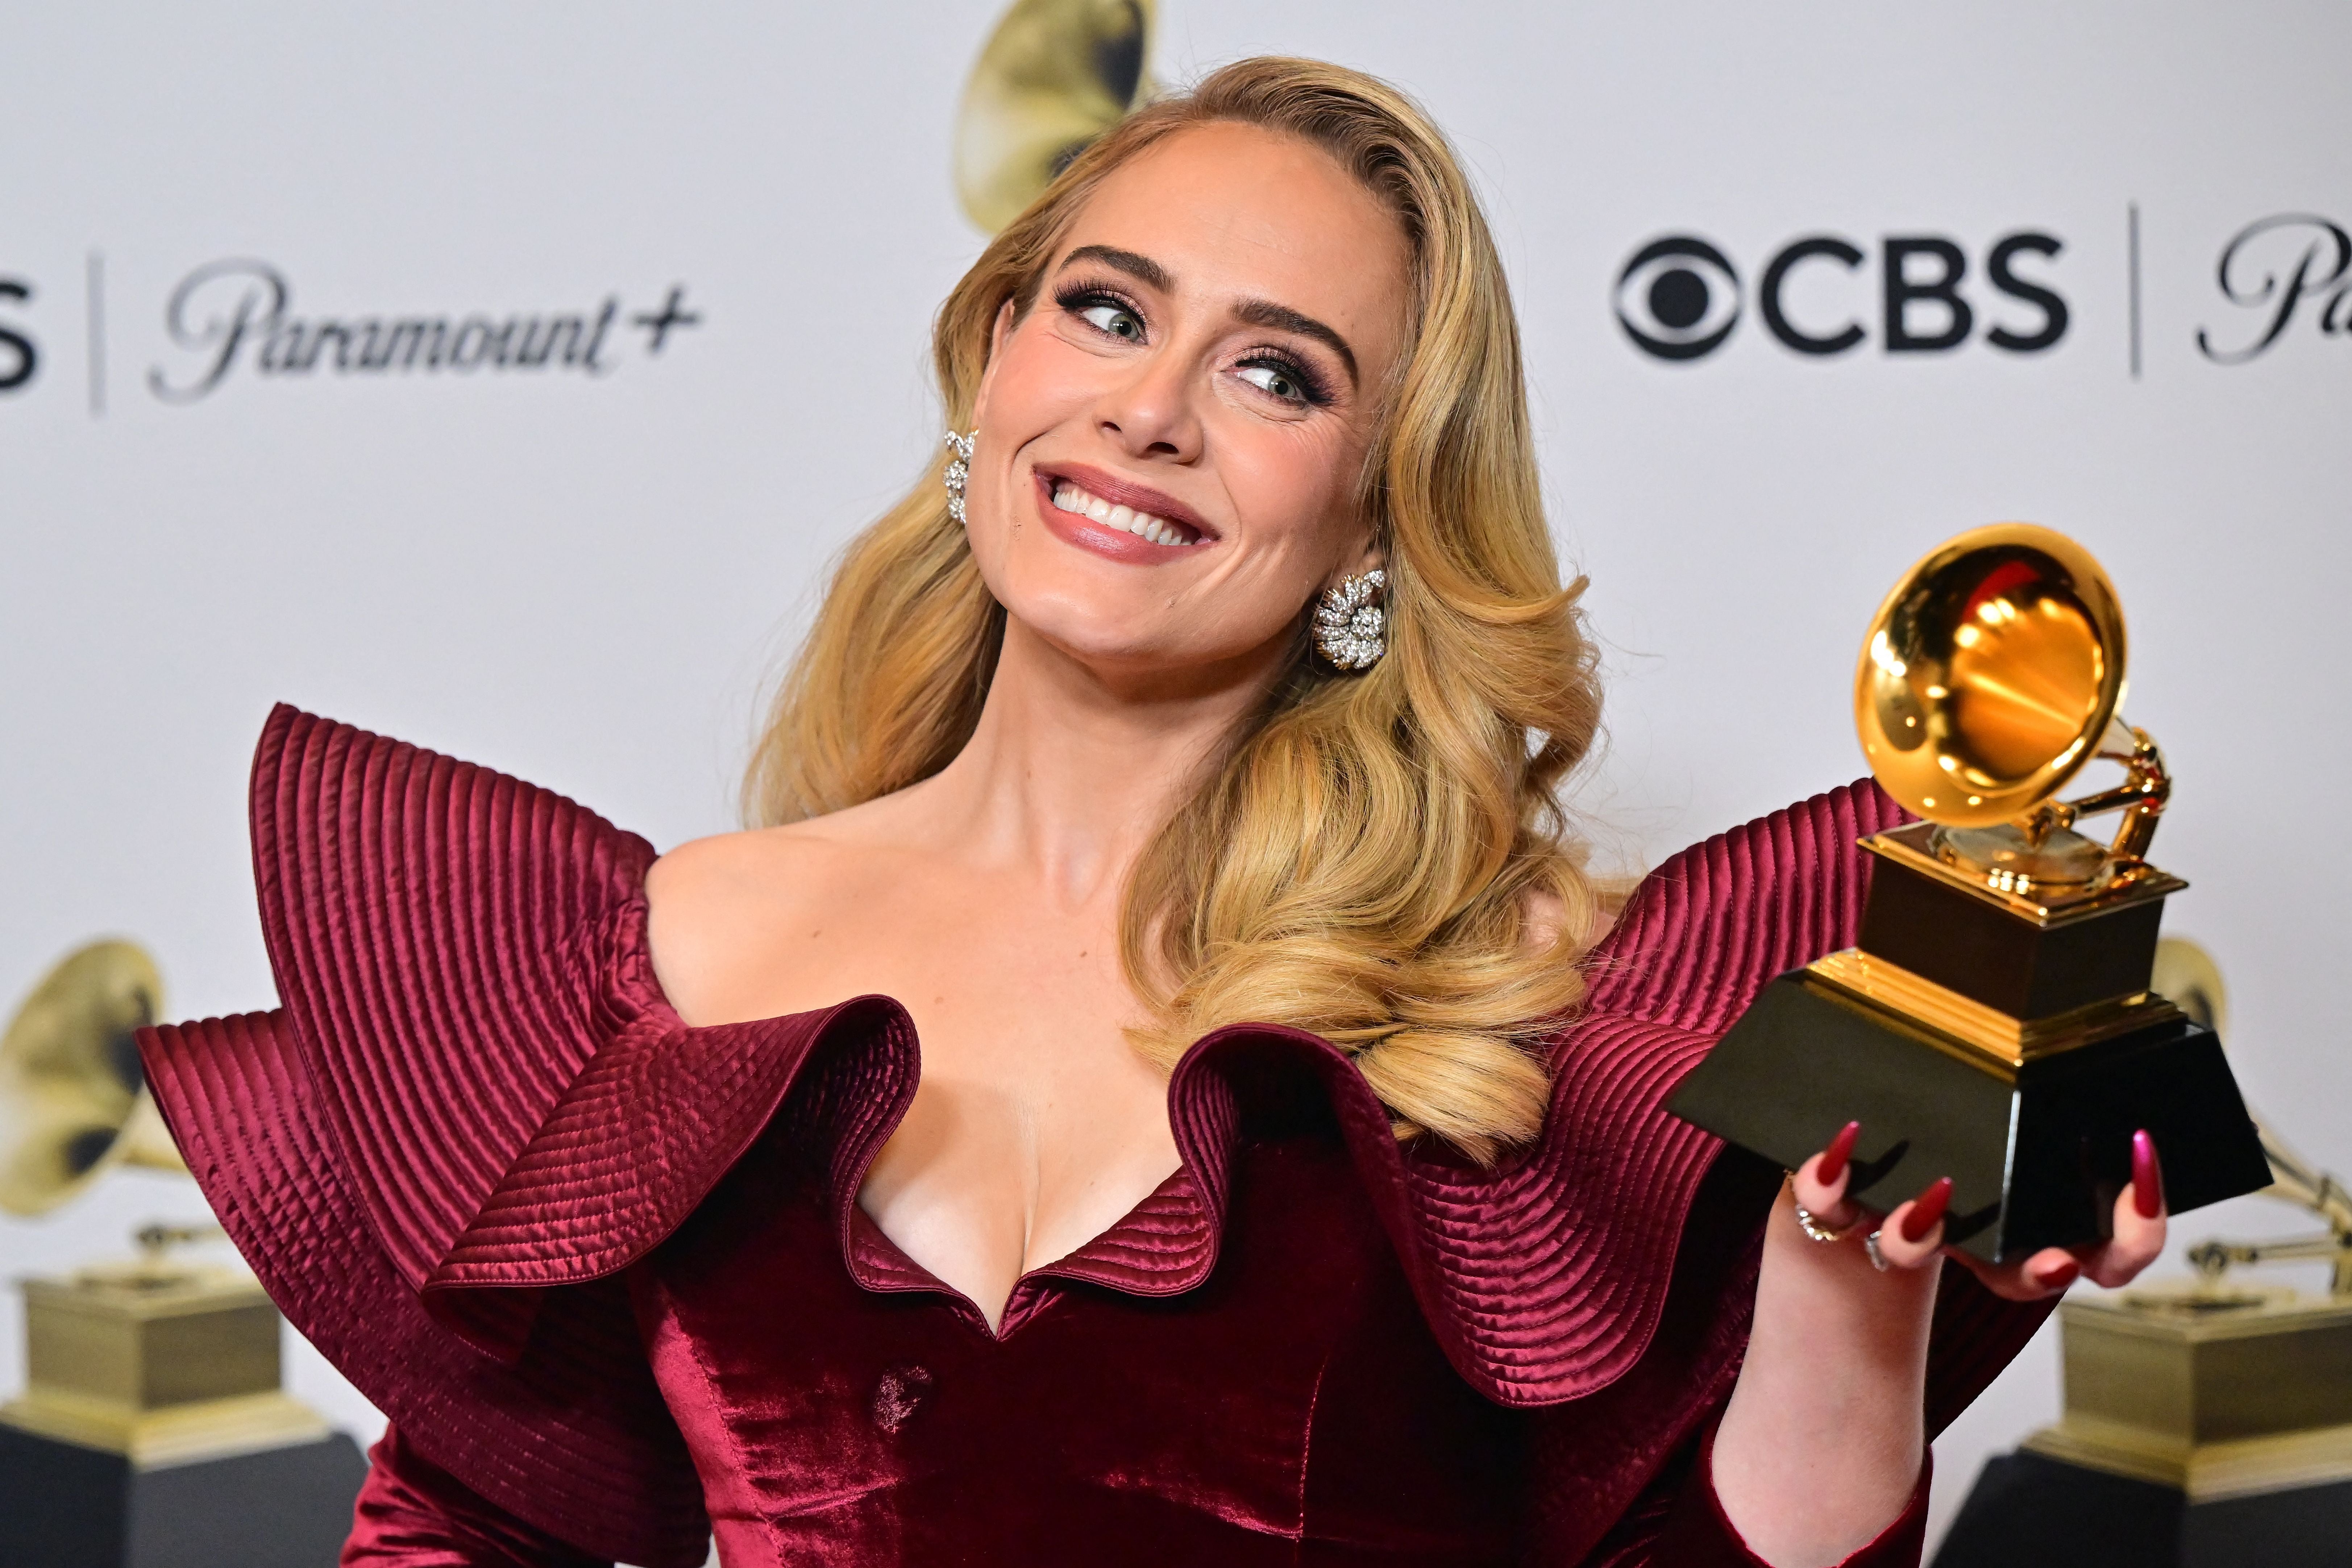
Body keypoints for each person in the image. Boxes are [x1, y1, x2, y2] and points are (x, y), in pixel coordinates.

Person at [139, 57, 2166, 1568]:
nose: (1150, 407)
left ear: (1376, 514)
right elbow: (469, 1528)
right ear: (996, 365)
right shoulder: (669, 949)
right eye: (1106, 309)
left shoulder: (1525, 1007)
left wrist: (1851, 1292)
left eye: (1275, 372)